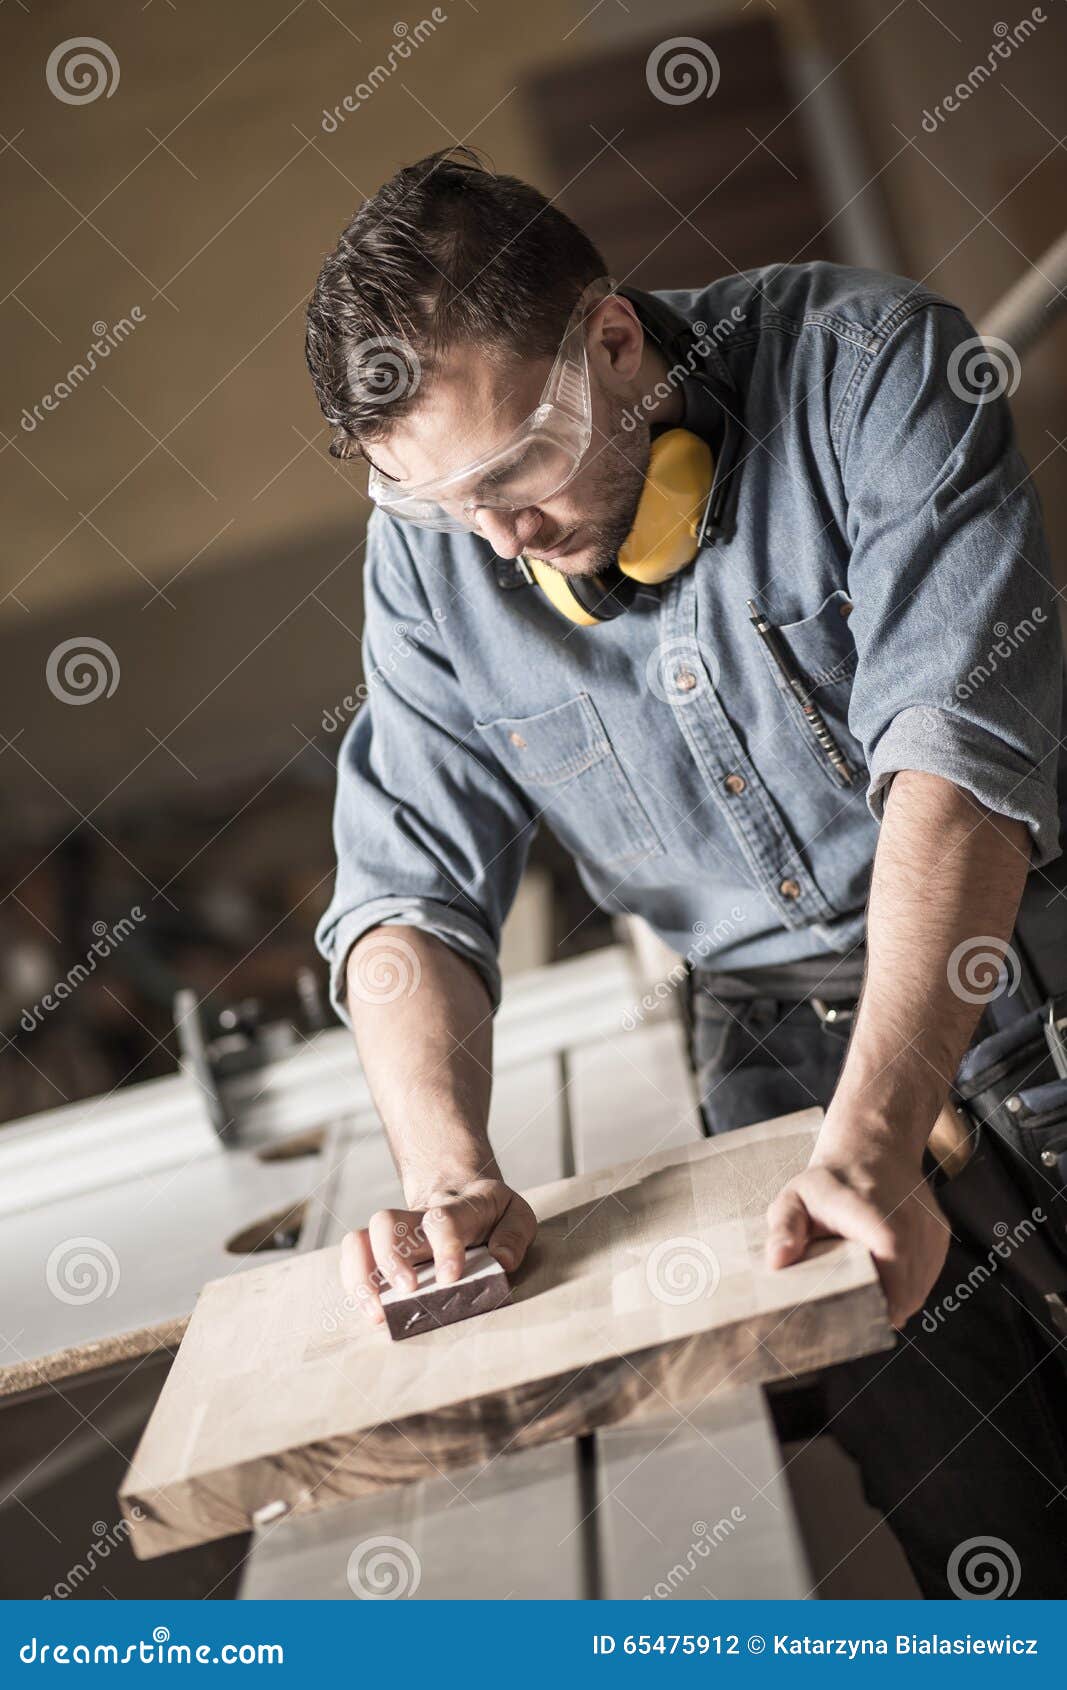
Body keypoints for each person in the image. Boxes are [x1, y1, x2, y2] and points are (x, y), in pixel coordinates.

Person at [304, 148, 1067, 1595]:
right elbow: (407, 885)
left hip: (1023, 958)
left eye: (517, 465)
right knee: (995, 1546)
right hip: (777, 1050)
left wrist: (881, 1134)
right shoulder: (437, 553)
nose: (499, 537)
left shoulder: (871, 367)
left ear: (611, 339)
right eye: (440, 504)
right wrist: (447, 1169)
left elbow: (956, 766)